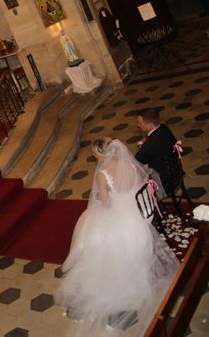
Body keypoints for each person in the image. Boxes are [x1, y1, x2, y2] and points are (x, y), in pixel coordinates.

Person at [57, 138, 178, 334]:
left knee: (89, 228)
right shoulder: (129, 164)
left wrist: (100, 200)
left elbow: (105, 204)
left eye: (94, 154)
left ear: (101, 154)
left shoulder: (102, 175)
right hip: (136, 220)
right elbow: (139, 186)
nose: (94, 157)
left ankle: (103, 283)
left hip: (118, 220)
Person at [136, 108, 178, 191]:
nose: (138, 125)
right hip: (176, 171)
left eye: (140, 123)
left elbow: (137, 161)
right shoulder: (163, 128)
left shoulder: (150, 145)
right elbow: (155, 141)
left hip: (164, 181)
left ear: (150, 125)